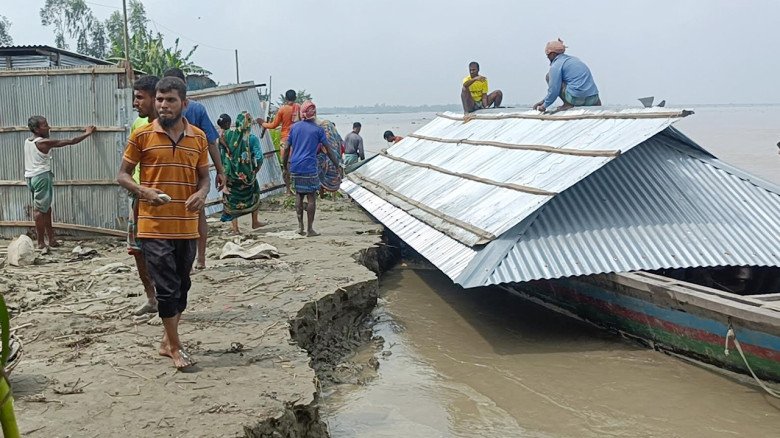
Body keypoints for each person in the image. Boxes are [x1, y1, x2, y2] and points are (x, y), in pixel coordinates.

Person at [116, 76, 210, 370]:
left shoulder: (198, 138)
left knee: (182, 285)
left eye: (170, 100)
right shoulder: (141, 136)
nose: (163, 105)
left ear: (184, 103)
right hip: (153, 225)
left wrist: (202, 193)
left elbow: (204, 177)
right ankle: (176, 346)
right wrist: (143, 191)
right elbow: (122, 175)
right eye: (159, 99)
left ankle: (166, 341)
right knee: (166, 289)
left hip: (186, 225)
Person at [163, 68, 224, 270]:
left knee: (173, 214)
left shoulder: (161, 109)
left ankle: (185, 261)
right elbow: (212, 141)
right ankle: (200, 259)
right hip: (193, 169)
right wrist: (220, 170)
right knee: (198, 214)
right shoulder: (196, 109)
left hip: (172, 171)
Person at [24, 116, 95, 249]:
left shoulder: (28, 141)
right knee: (39, 210)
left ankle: (51, 239)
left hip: (31, 177)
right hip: (41, 177)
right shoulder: (43, 143)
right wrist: (87, 133)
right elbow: (71, 141)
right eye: (45, 125)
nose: (49, 127)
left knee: (46, 208)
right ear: (37, 129)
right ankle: (40, 242)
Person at [128, 75, 160, 316]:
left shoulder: (179, 127)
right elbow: (125, 170)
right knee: (138, 250)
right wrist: (140, 191)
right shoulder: (138, 128)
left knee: (165, 252)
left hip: (166, 199)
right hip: (140, 196)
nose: (134, 103)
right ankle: (152, 298)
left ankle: (169, 300)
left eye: (139, 97)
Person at [284, 101, 340, 237]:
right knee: (311, 197)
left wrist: (285, 166)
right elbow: (328, 149)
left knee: (299, 194)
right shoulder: (318, 129)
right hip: (310, 166)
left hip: (296, 165)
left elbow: (286, 148)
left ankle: (300, 227)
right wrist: (337, 164)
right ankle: (310, 229)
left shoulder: (294, 128)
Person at [219, 111, 265, 234]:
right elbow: (259, 157)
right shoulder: (252, 138)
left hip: (230, 175)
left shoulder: (227, 135)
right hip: (247, 175)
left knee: (232, 199)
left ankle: (235, 228)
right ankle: (255, 222)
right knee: (254, 193)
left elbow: (220, 150)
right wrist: (256, 169)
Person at [533, 39, 601, 113]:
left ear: (552, 54)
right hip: (593, 99)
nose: (547, 57)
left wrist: (544, 106)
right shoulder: (575, 60)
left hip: (575, 99)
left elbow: (554, 90)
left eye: (548, 55)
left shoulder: (556, 65)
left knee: (549, 76)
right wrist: (543, 101)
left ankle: (567, 104)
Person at [260, 89, 300, 195]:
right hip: (297, 140)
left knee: (286, 165)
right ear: (295, 98)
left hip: (285, 140)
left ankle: (288, 189)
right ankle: (299, 188)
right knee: (297, 164)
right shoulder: (299, 108)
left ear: (286, 98)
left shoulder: (282, 110)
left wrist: (263, 124)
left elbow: (273, 125)